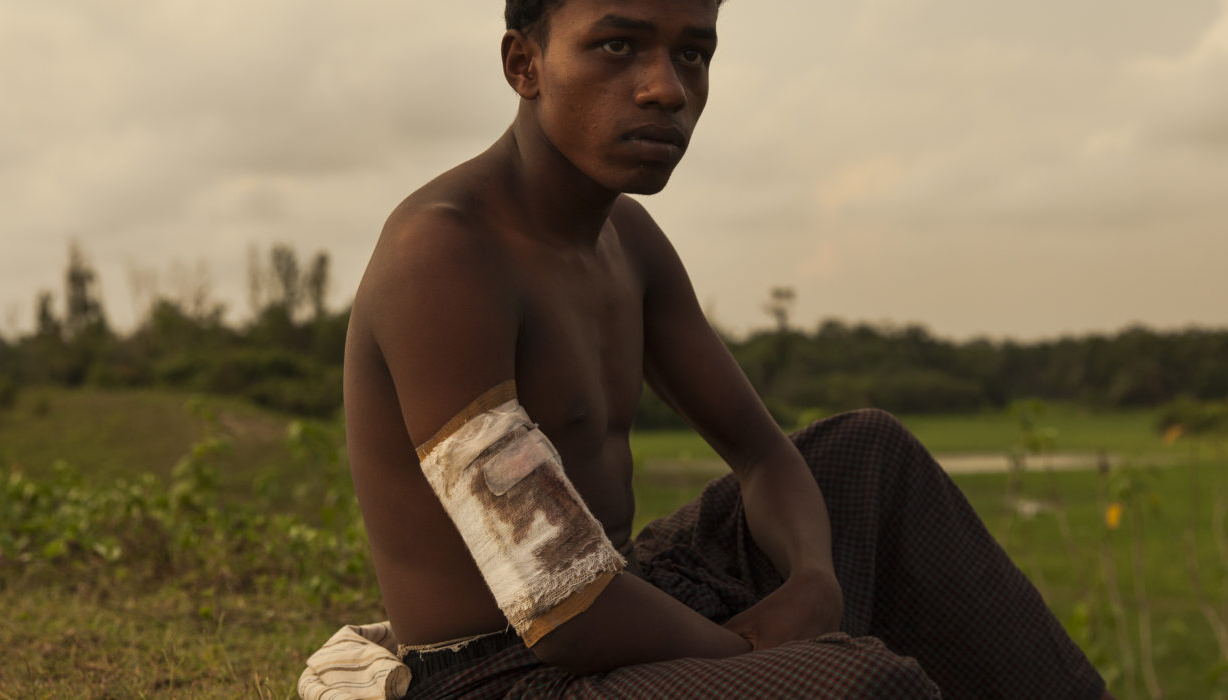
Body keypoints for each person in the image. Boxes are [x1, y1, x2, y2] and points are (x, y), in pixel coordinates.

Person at [303, 0, 1110, 697]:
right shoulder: (444, 253)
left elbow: (763, 457)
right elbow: (560, 604)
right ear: (526, 64)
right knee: (858, 684)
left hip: (618, 603)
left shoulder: (628, 241)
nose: (667, 88)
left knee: (868, 455)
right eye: (617, 45)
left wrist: (815, 583)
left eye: (692, 53)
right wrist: (755, 652)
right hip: (506, 673)